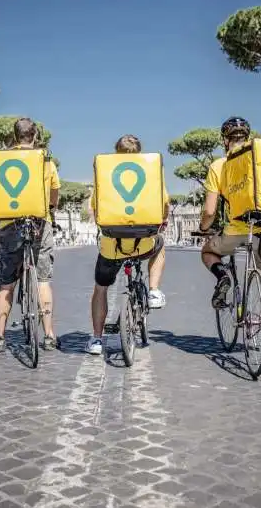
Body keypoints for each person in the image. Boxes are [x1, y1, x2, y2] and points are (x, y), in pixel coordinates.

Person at [198, 116, 261, 356]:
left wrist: (205, 229)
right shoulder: (260, 160)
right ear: (248, 137)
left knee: (208, 252)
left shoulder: (219, 166)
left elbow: (209, 211)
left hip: (236, 231)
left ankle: (223, 275)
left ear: (225, 141)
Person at [86, 135, 168, 355]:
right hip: (143, 243)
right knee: (160, 244)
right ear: (139, 152)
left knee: (101, 289)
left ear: (116, 151)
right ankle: (153, 290)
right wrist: (163, 221)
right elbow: (164, 205)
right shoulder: (151, 172)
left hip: (111, 245)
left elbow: (94, 210)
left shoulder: (104, 173)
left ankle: (96, 339)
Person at [0, 118, 61, 353]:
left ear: (15, 135)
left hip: (10, 224)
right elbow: (54, 193)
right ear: (35, 136)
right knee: (43, 280)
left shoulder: (1, 160)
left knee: (6, 284)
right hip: (40, 223)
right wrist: (50, 208)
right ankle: (49, 335)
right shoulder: (46, 161)